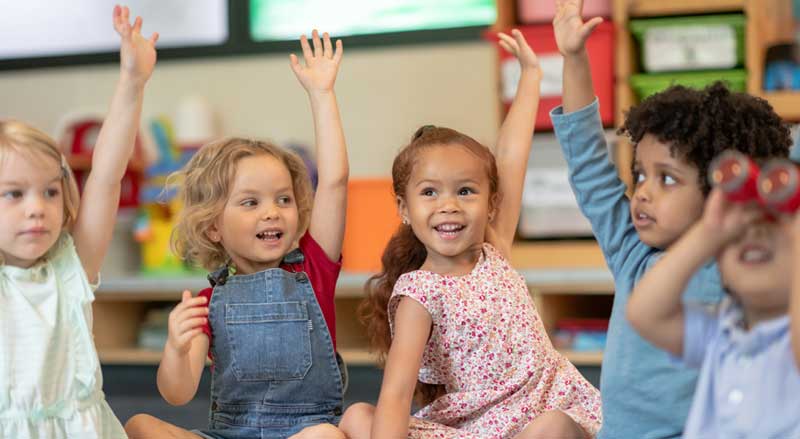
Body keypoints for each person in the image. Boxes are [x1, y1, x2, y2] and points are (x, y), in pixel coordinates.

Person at [339, 29, 601, 439]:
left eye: (465, 191)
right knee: (358, 416)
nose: (449, 205)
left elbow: (511, 156)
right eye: (429, 192)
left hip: (542, 416)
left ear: (491, 203)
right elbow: (395, 395)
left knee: (550, 428)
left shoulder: (492, 249)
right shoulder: (419, 293)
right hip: (472, 431)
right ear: (404, 209)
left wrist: (530, 77)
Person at [549, 0, 793, 437]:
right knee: (552, 427)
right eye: (640, 174)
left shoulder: (740, 270)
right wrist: (574, 57)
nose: (642, 191)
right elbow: (587, 162)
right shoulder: (632, 253)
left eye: (668, 179)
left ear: (720, 194)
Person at [124, 30, 349, 439]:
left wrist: (321, 94)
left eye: (283, 199)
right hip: (228, 434)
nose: (272, 213)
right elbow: (177, 394)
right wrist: (176, 346)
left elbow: (334, 181)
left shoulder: (315, 269)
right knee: (140, 426)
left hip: (304, 431)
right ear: (214, 225)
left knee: (327, 436)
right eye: (250, 203)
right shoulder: (209, 302)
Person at [0, 5, 157, 438]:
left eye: (50, 191)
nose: (37, 207)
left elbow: (107, 174)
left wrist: (132, 82)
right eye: (14, 193)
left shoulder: (72, 266)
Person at [627, 184, 800, 438]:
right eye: (736, 235)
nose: (754, 232)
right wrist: (708, 232)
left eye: (774, 224)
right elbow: (644, 314)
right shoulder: (720, 331)